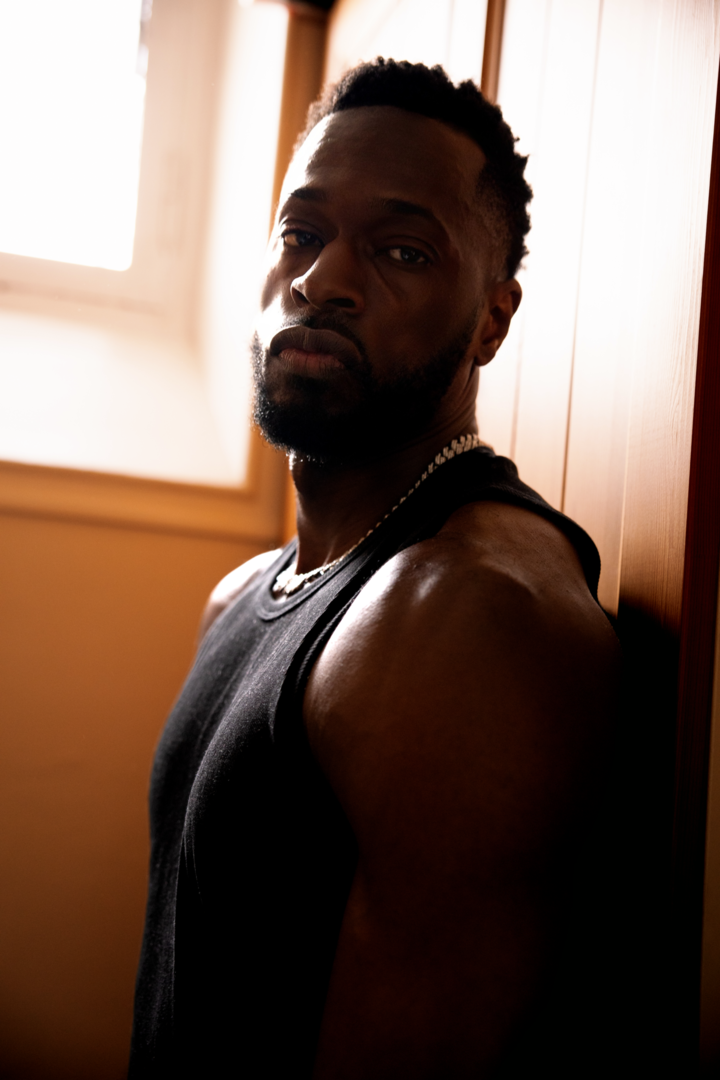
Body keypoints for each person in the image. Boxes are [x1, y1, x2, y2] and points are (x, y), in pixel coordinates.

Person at [129, 59, 620, 1079]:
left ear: (492, 319)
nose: (323, 282)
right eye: (301, 235)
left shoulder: (469, 614)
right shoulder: (243, 593)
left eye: (400, 250)